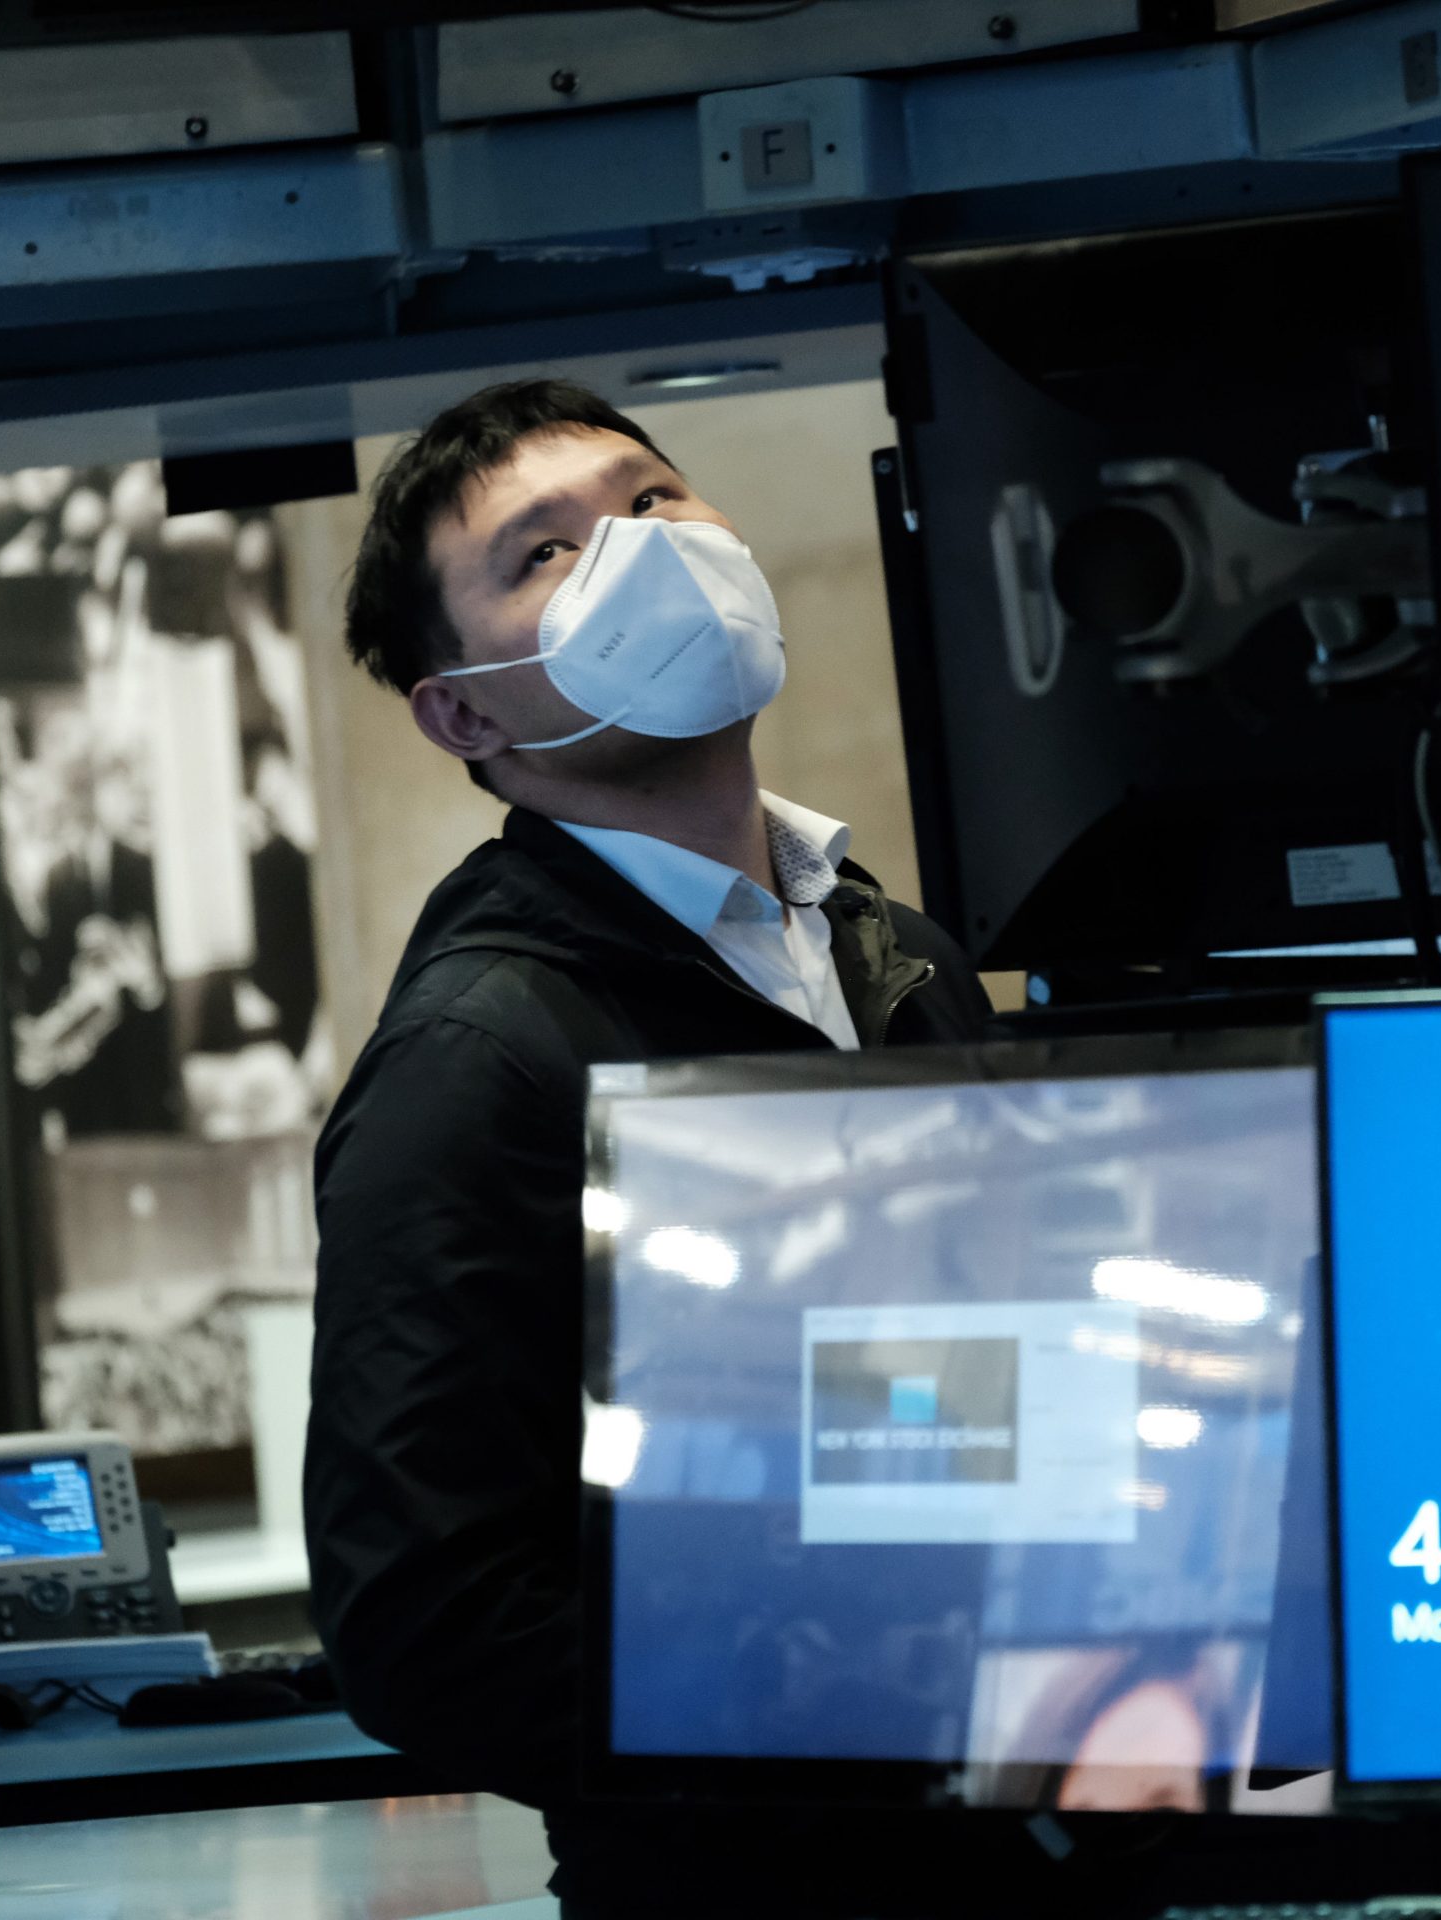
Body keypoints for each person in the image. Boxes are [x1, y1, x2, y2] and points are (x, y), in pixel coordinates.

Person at [302, 381, 1086, 1916]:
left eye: (654, 501)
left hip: (1044, 1848)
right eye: (543, 555)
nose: (643, 556)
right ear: (463, 712)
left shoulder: (898, 956)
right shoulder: (479, 1065)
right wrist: (843, 1726)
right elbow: (426, 1623)